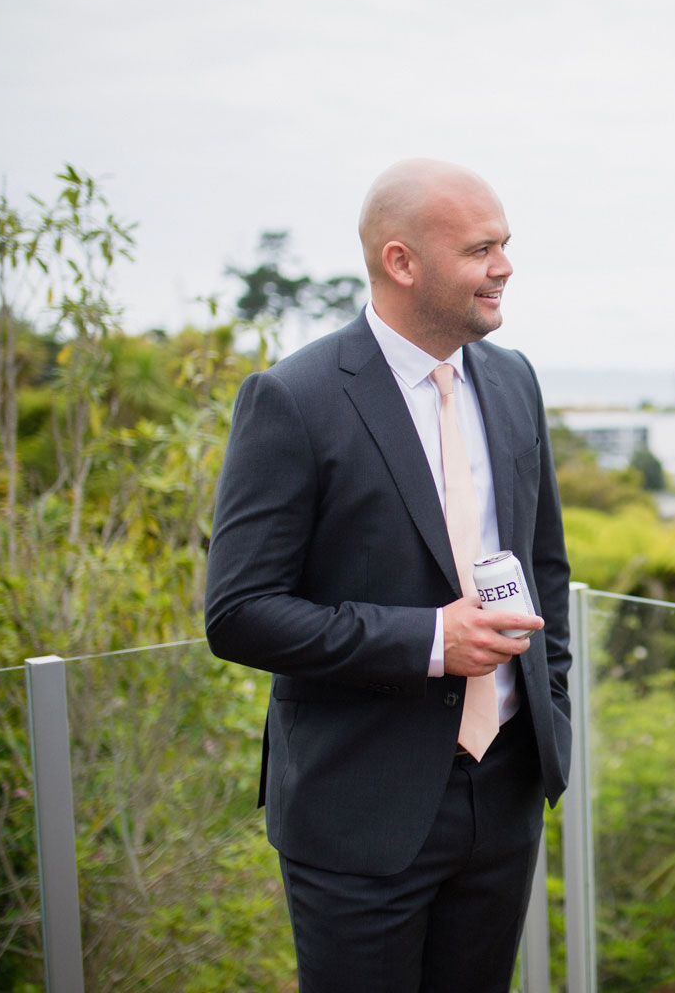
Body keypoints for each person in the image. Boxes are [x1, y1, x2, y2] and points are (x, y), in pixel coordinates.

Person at [205, 158, 571, 993]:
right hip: (358, 812)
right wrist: (431, 641)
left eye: (506, 244)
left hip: (504, 789)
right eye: (482, 249)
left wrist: (551, 718)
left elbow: (545, 566)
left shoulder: (513, 382)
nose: (506, 266)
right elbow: (240, 613)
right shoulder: (292, 399)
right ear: (402, 262)